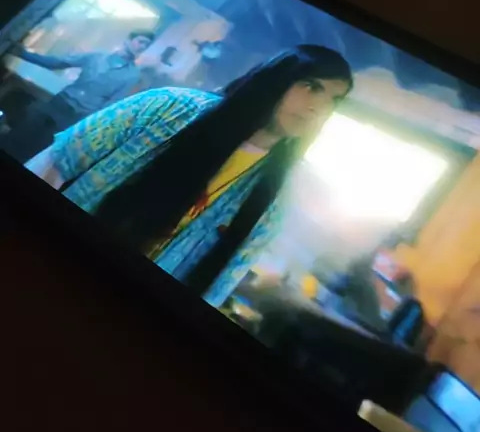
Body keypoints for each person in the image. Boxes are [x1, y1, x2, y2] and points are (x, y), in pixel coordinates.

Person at [27, 45, 353, 308]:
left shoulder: (276, 198)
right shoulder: (169, 107)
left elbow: (218, 285)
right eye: (312, 86)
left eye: (333, 100)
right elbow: (57, 163)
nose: (318, 107)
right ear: (277, 78)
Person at [0, 29, 155, 162]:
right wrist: (22, 53)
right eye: (141, 41)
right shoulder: (97, 56)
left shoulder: (132, 75)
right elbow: (58, 63)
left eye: (146, 45)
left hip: (75, 117)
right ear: (128, 40)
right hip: (59, 103)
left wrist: (88, 128)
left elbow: (111, 103)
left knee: (35, 151)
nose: (142, 47)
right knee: (18, 136)